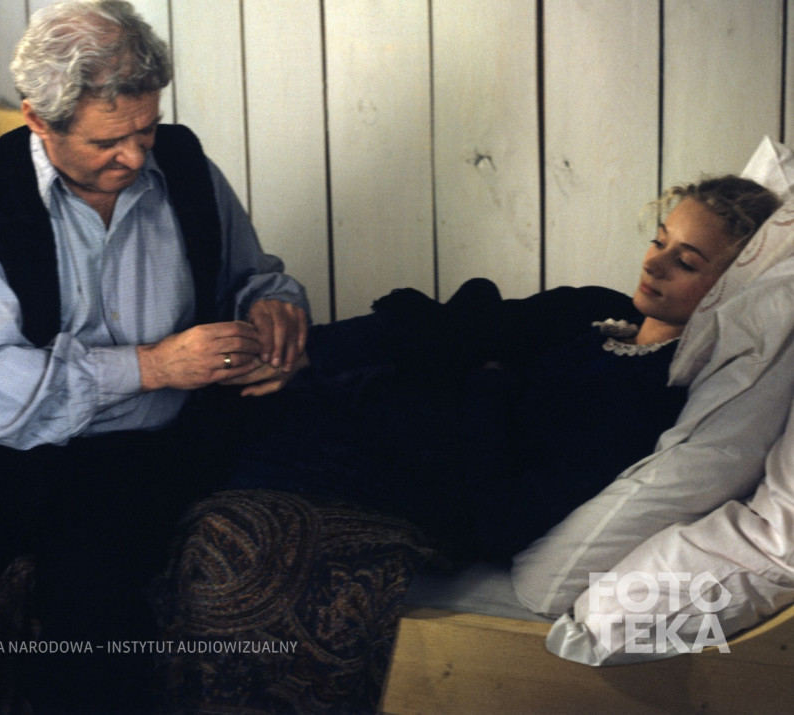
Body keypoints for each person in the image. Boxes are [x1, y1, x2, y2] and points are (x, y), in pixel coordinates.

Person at [0, 0, 309, 714]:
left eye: (146, 129)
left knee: (92, 603)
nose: (135, 156)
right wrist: (153, 366)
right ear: (37, 119)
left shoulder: (184, 165)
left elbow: (252, 274)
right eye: (109, 141)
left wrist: (274, 305)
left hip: (142, 449)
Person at [216, 175, 782, 564]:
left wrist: (488, 387)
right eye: (659, 241)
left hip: (426, 476)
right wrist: (308, 352)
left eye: (686, 262)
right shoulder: (597, 308)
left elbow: (502, 524)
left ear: (731, 289)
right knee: (240, 384)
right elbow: (471, 324)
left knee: (226, 437)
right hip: (393, 400)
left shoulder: (647, 396)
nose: (653, 264)